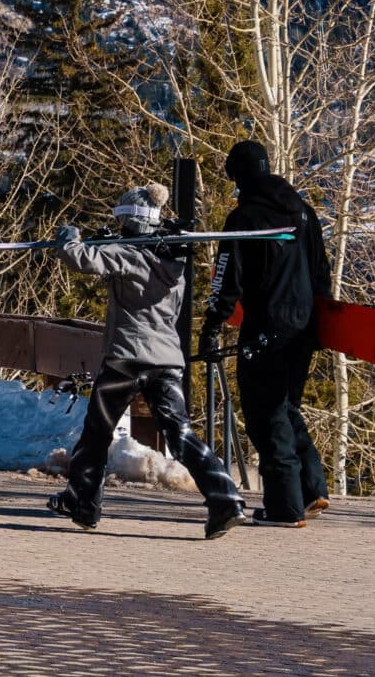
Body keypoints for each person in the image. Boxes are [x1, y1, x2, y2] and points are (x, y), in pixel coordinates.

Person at [48, 183, 245, 539]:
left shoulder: (128, 253)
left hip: (125, 358)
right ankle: (225, 499)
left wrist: (69, 237)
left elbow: (81, 259)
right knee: (180, 433)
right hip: (166, 360)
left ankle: (83, 502)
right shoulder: (175, 260)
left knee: (96, 433)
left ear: (129, 222)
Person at [201, 139, 332, 527]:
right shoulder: (304, 213)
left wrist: (211, 326)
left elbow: (226, 281)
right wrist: (322, 326)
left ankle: (285, 508)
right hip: (305, 326)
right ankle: (311, 489)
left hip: (267, 327)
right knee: (287, 407)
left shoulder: (243, 219)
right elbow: (320, 271)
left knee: (265, 414)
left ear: (237, 175)